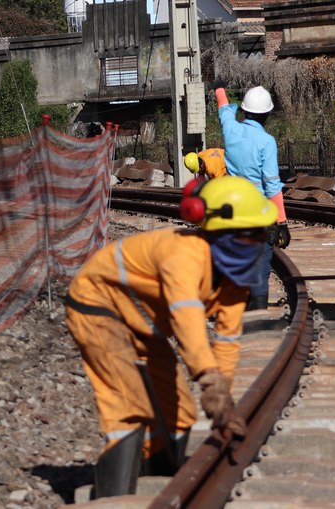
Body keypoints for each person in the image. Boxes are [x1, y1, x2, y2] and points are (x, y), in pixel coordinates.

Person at [64, 176, 278, 498]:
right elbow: (187, 319)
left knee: (179, 412)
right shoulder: (185, 255)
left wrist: (224, 400)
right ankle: (114, 496)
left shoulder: (235, 280)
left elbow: (228, 342)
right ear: (226, 234)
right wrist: (208, 378)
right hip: (98, 306)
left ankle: (162, 485)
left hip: (140, 319)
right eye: (255, 234)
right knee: (129, 403)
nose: (261, 242)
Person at [214, 85, 290, 310]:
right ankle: (257, 311)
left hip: (233, 210)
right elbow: (272, 185)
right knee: (259, 264)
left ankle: (232, 306)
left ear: (245, 111)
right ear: (267, 115)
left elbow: (224, 110)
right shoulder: (266, 142)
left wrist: (220, 90)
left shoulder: (230, 130)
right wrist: (282, 222)